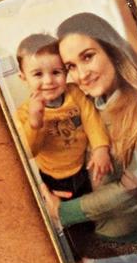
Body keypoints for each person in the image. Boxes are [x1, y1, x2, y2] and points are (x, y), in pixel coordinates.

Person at [41, 13, 137, 263]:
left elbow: (132, 193)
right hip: (99, 246)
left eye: (88, 57)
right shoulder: (92, 109)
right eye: (71, 66)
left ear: (112, 50)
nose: (81, 75)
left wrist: (62, 211)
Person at [14, 33, 113, 201]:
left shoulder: (75, 93)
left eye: (56, 72)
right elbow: (28, 152)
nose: (49, 81)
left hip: (83, 165)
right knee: (62, 209)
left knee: (87, 202)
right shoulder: (23, 113)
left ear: (66, 72)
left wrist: (100, 148)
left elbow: (91, 119)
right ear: (23, 78)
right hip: (53, 176)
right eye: (38, 74)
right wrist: (34, 123)